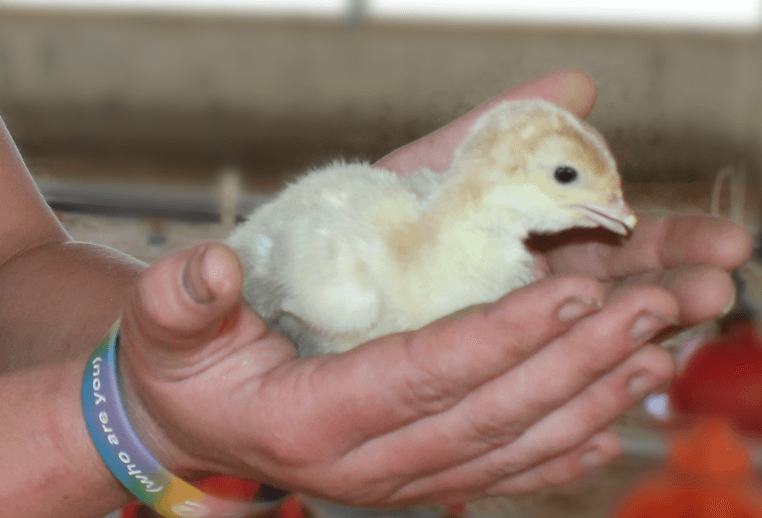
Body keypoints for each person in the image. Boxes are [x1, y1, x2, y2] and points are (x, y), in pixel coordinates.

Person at [0, 71, 751, 518]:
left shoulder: (466, 253)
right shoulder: (344, 284)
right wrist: (132, 423)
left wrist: (183, 360)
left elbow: (15, 261)